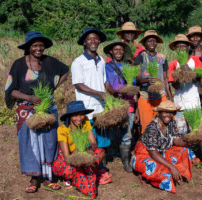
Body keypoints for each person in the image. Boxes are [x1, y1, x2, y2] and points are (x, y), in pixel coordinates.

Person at [4, 31, 69, 193]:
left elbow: (66, 70)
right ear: (28, 47)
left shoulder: (50, 62)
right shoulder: (18, 64)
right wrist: (29, 98)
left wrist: (54, 87)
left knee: (49, 141)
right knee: (30, 143)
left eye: (41, 45)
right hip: (26, 110)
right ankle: (34, 178)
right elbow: (11, 90)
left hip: (48, 108)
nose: (39, 48)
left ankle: (48, 177)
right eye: (34, 45)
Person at [168, 34, 202, 172]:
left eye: (183, 46)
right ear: (175, 49)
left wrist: (190, 72)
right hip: (179, 105)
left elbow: (201, 78)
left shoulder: (196, 61)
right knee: (181, 135)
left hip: (194, 103)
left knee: (200, 133)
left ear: (188, 47)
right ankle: (182, 160)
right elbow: (174, 86)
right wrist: (181, 73)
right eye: (178, 46)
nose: (181, 48)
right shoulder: (173, 64)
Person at [132, 100, 196, 194]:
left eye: (171, 113)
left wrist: (190, 140)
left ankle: (171, 171)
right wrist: (172, 167)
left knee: (186, 150)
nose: (168, 115)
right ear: (160, 113)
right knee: (165, 174)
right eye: (165, 112)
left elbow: (177, 140)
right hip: (145, 156)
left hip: (160, 153)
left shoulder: (171, 123)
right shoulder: (152, 128)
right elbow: (153, 153)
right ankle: (145, 175)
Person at [52, 101, 111, 198]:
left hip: (83, 153)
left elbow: (93, 144)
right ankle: (71, 178)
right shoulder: (62, 129)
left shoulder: (85, 121)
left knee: (100, 152)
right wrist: (79, 156)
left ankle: (86, 173)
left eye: (81, 115)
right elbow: (67, 157)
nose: (79, 118)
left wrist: (85, 153)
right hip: (68, 159)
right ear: (69, 116)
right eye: (75, 116)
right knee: (69, 169)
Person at [71, 27, 112, 152]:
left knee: (102, 137)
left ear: (99, 41)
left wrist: (110, 95)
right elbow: (78, 84)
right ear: (84, 42)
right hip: (87, 107)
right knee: (90, 140)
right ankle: (92, 168)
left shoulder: (101, 61)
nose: (93, 41)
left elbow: (105, 81)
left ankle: (102, 164)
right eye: (89, 39)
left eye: (95, 38)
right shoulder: (78, 62)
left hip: (101, 106)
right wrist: (97, 93)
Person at [103, 40, 136, 172]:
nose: (118, 52)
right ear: (111, 51)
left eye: (121, 50)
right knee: (109, 131)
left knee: (127, 133)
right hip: (113, 105)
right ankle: (105, 158)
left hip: (129, 105)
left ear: (124, 52)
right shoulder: (106, 67)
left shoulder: (129, 66)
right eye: (115, 50)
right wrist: (116, 91)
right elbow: (106, 85)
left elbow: (132, 87)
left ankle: (126, 162)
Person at [134, 30, 172, 133]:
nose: (152, 43)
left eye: (154, 41)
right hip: (145, 97)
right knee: (146, 127)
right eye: (149, 41)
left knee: (162, 125)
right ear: (144, 43)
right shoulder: (140, 57)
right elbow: (137, 79)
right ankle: (144, 148)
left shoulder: (162, 57)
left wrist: (170, 96)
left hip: (160, 96)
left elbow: (165, 79)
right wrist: (147, 80)